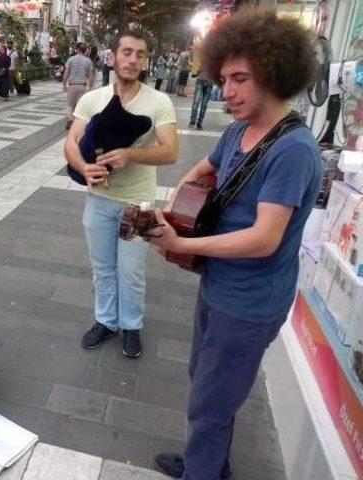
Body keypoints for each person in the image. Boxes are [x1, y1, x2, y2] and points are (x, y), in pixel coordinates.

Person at [150, 8, 320, 479]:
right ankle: (210, 465)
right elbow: (205, 168)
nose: (227, 91)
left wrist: (188, 244)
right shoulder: (236, 131)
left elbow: (265, 240)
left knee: (210, 402)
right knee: (206, 388)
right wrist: (180, 211)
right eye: (223, 78)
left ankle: (201, 471)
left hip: (250, 303)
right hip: (219, 287)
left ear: (273, 72)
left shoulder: (293, 149)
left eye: (240, 78)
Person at [64, 31, 178, 358]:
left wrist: (131, 154)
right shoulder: (92, 99)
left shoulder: (158, 102)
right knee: (102, 267)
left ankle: (131, 326)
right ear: (112, 57)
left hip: (138, 203)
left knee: (131, 269)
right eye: (126, 52)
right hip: (99, 200)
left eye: (140, 54)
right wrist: (84, 169)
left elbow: (170, 151)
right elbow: (71, 142)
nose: (132, 59)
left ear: (145, 61)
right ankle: (106, 320)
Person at [63, 42, 93, 131]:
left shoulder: (71, 59)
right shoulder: (88, 61)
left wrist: (64, 84)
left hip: (72, 85)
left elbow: (66, 73)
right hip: (82, 86)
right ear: (85, 50)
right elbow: (90, 76)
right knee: (79, 105)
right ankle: (77, 123)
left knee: (69, 104)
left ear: (77, 49)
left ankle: (70, 120)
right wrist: (90, 87)